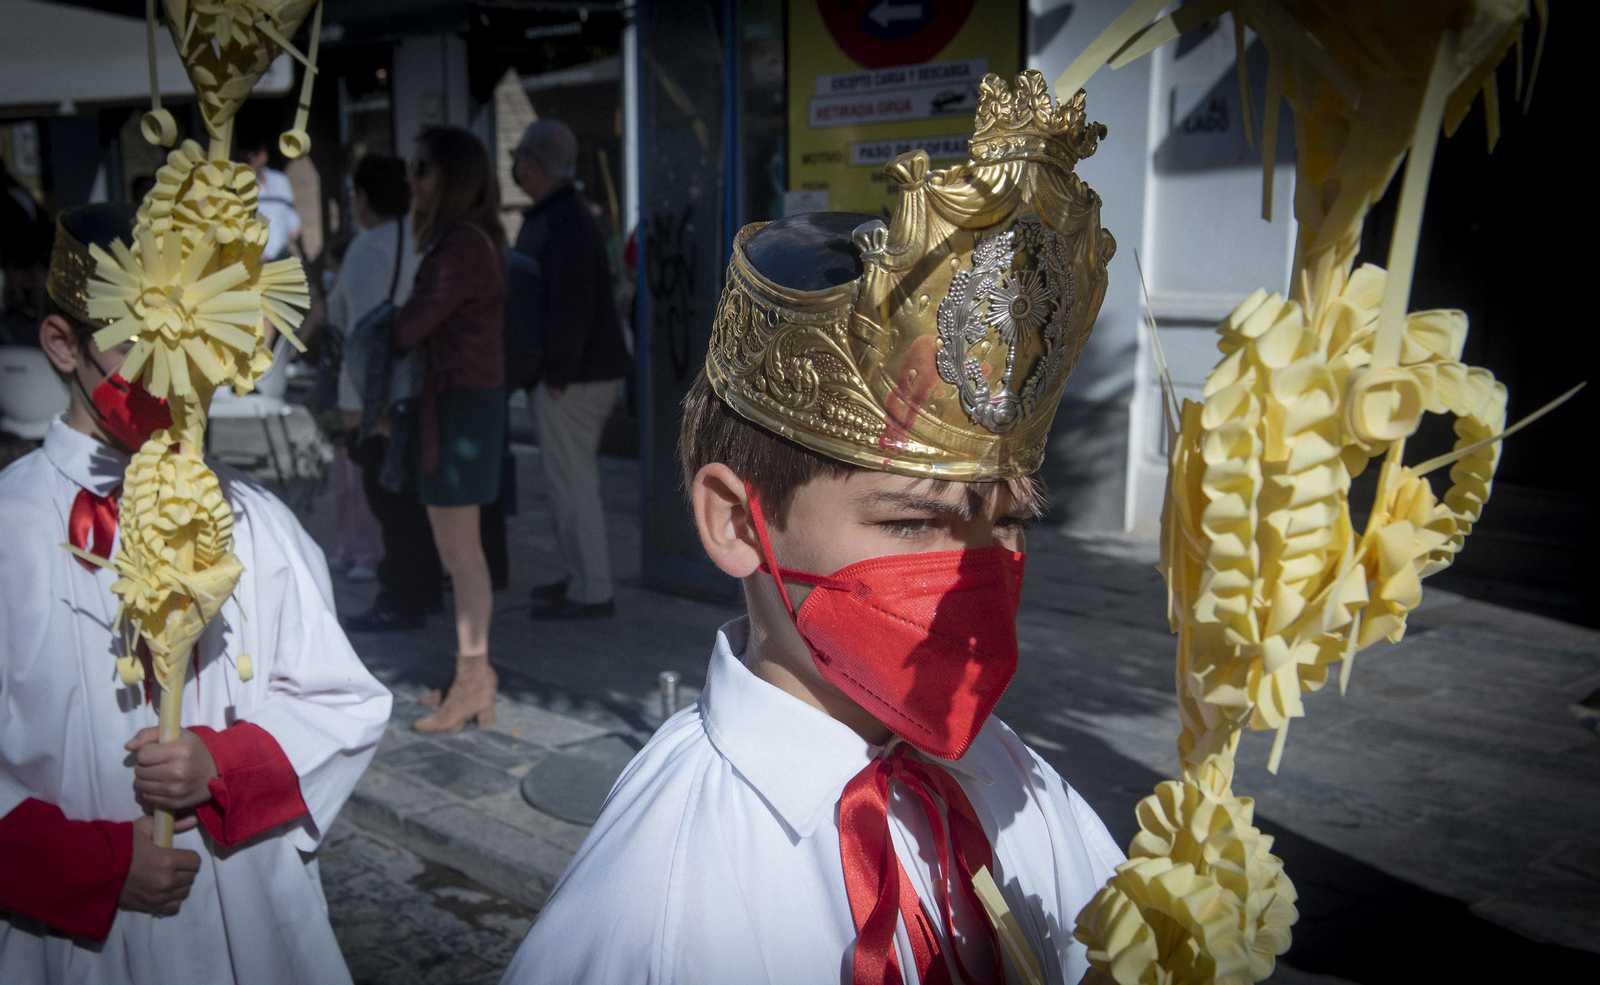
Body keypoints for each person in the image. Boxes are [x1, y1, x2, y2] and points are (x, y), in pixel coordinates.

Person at [502, 73, 1124, 984]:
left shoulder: (1012, 774)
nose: (972, 574)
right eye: (916, 520)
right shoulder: (665, 911)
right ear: (734, 520)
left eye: (1007, 519)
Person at [0, 203, 392, 983]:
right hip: (76, 937)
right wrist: (97, 865)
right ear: (62, 343)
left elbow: (342, 700)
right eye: (130, 342)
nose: (161, 373)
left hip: (244, 909)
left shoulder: (255, 521)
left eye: (182, 343)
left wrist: (221, 762)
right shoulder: (11, 530)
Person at [394, 126, 507, 732]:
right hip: (461, 403)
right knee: (460, 551)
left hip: (460, 407)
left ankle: (473, 680)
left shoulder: (459, 245)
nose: (411, 181)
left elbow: (408, 328)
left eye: (422, 169)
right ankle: (471, 680)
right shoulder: (469, 240)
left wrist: (388, 321)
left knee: (461, 553)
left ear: (452, 178)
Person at [505, 120, 630, 621]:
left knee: (573, 485)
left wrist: (556, 374)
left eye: (519, 157)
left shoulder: (564, 222)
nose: (516, 166)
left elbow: (571, 307)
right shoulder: (563, 217)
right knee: (567, 484)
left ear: (532, 165)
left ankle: (592, 589)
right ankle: (581, 578)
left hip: (572, 381)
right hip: (571, 377)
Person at [326, 155, 420, 593]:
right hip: (412, 377)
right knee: (393, 476)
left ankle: (365, 553)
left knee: (361, 476)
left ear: (363, 198)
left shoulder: (365, 248)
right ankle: (366, 552)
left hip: (365, 385)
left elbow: (351, 322)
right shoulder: (421, 237)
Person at [242, 137, 302, 262]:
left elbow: (290, 214)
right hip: (258, 260)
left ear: (262, 156)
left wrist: (295, 230)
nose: (247, 165)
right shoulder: (243, 187)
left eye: (250, 160)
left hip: (283, 256)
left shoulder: (280, 181)